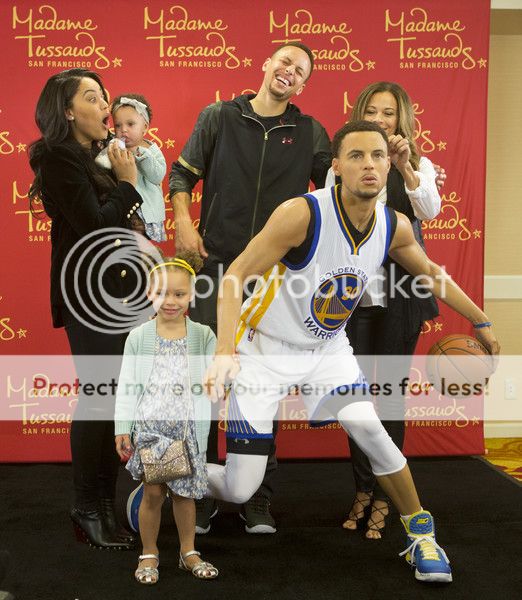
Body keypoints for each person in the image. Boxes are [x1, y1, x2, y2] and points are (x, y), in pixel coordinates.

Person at [204, 120, 499, 583]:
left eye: (378, 155)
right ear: (337, 166)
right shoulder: (301, 214)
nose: (369, 164)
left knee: (371, 430)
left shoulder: (393, 225)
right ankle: (172, 472)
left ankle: (421, 535)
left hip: (327, 350)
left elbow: (431, 274)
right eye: (357, 156)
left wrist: (480, 319)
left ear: (389, 165)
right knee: (240, 488)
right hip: (265, 349)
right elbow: (234, 277)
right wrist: (225, 350)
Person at [161, 41, 332, 534]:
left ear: (303, 85)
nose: (289, 71)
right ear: (266, 64)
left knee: (262, 388)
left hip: (275, 279)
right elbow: (181, 175)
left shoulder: (311, 133)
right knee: (205, 386)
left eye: (300, 70)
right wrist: (183, 221)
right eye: (284, 61)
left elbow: (334, 194)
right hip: (215, 269)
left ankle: (257, 495)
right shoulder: (219, 116)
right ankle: (199, 493)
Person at [28, 68, 145, 550]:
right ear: (68, 111)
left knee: (118, 402)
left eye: (105, 98)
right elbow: (96, 224)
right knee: (100, 398)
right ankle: (87, 506)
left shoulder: (99, 156)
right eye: (93, 98)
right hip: (89, 296)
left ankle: (104, 506)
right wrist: (127, 183)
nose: (106, 107)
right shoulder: (58, 156)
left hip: (122, 294)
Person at [325, 81, 442, 538]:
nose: (379, 119)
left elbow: (429, 210)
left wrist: (406, 166)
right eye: (371, 111)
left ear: (401, 119)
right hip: (352, 296)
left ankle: (385, 498)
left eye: (388, 113)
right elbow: (332, 218)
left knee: (390, 399)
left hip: (402, 296)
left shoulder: (419, 164)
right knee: (354, 401)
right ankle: (362, 488)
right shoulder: (347, 163)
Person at [115, 251, 218, 584]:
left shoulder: (203, 335)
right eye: (161, 293)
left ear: (192, 294)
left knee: (185, 496)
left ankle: (188, 551)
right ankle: (149, 552)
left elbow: (217, 379)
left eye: (179, 293)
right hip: (151, 430)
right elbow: (127, 386)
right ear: (149, 293)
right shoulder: (139, 337)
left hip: (187, 431)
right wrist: (122, 427)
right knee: (154, 494)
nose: (170, 301)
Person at [110, 94, 168, 242]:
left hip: (146, 212)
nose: (123, 130)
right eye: (118, 125)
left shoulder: (150, 149)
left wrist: (142, 155)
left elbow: (157, 176)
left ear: (145, 127)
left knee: (141, 247)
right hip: (123, 208)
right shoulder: (115, 146)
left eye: (130, 124)